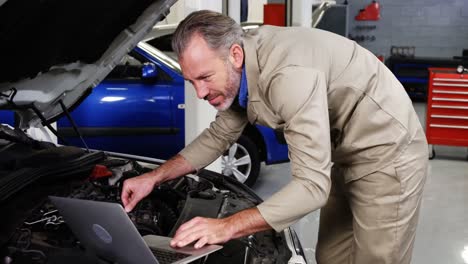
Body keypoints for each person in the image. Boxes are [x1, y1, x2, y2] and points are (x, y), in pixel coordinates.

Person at [121, 10, 428, 264]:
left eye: (205, 78)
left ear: (235, 55)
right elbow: (217, 136)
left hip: (388, 150)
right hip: (345, 153)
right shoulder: (240, 71)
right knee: (332, 256)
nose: (199, 92)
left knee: (375, 258)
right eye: (191, 81)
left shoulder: (287, 75)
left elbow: (312, 187)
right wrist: (154, 177)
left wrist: (226, 227)